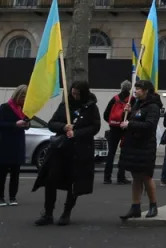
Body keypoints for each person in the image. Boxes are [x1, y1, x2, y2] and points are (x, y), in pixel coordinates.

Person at [33, 80, 101, 226]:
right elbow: (51, 123)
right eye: (73, 92)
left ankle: (66, 212)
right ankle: (48, 213)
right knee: (51, 179)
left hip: (79, 151)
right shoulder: (64, 105)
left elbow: (95, 127)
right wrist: (64, 127)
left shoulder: (91, 108)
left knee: (73, 182)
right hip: (60, 150)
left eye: (77, 93)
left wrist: (77, 133)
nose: (74, 95)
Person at [119, 79, 163, 220]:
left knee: (146, 176)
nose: (135, 91)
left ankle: (153, 205)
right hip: (134, 145)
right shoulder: (137, 104)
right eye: (135, 88)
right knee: (135, 176)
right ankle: (135, 206)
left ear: (146, 91)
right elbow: (130, 121)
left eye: (138, 89)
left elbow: (150, 125)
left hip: (145, 146)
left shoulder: (153, 107)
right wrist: (127, 112)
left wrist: (130, 123)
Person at [0, 85, 29, 206]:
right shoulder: (5, 107)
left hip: (18, 143)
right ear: (17, 95)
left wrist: (27, 125)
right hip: (5, 143)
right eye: (23, 96)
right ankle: (1, 197)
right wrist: (14, 124)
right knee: (2, 173)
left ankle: (13, 197)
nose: (24, 99)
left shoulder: (25, 109)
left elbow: (27, 122)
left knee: (16, 173)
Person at [102, 80, 131, 185]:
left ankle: (107, 177)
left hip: (113, 128)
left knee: (111, 153)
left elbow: (106, 114)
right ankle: (121, 177)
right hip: (125, 130)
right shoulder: (131, 100)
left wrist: (112, 123)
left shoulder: (115, 99)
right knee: (123, 153)